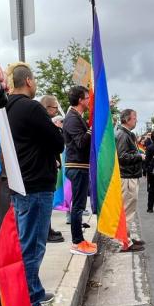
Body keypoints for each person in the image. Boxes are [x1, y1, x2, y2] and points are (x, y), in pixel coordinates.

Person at [4, 63, 65, 306]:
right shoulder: (32, 107)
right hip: (36, 185)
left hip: (21, 183)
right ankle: (31, 304)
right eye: (35, 79)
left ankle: (35, 290)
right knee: (33, 246)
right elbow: (57, 142)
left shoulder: (7, 107)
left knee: (27, 242)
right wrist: (56, 127)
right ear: (28, 81)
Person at [62, 85, 98, 256]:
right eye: (86, 97)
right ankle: (77, 243)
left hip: (80, 166)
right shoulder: (72, 119)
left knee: (79, 206)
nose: (89, 100)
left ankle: (80, 240)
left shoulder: (77, 117)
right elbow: (81, 143)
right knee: (77, 207)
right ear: (79, 100)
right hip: (76, 167)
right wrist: (92, 128)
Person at [115, 109, 146, 253]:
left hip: (129, 175)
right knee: (127, 210)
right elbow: (122, 157)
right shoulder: (123, 134)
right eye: (134, 118)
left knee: (129, 209)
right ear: (127, 119)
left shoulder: (125, 133)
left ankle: (126, 238)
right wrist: (139, 157)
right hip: (127, 177)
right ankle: (124, 241)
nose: (136, 120)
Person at [40, 95, 66, 243]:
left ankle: (48, 229)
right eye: (55, 108)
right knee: (44, 205)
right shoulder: (44, 124)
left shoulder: (45, 123)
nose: (57, 111)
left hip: (49, 168)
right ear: (48, 108)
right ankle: (46, 232)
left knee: (46, 206)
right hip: (44, 171)